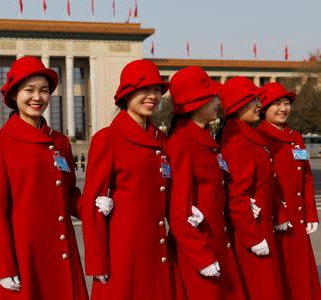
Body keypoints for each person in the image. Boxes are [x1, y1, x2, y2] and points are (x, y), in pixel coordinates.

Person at [0, 56, 112, 300]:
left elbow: (70, 194)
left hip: (62, 250)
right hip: (25, 255)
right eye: (29, 90)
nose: (37, 97)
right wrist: (3, 267)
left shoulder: (60, 142)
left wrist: (94, 206)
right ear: (14, 95)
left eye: (43, 91)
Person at [82, 59, 176, 299]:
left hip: (156, 250)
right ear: (126, 95)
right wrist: (97, 262)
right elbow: (91, 205)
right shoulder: (108, 139)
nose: (152, 96)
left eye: (156, 90)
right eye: (144, 90)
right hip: (122, 253)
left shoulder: (161, 140)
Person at [166, 67, 245, 299]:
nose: (217, 102)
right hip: (200, 249)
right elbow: (179, 213)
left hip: (217, 241)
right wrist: (201, 257)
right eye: (212, 97)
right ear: (196, 103)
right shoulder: (181, 143)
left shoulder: (202, 138)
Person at [218, 77, 288, 300]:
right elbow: (237, 196)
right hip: (252, 234)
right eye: (252, 100)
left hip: (262, 226)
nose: (259, 104)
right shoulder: (238, 141)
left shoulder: (247, 135)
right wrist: (253, 237)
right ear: (237, 104)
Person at [256, 82, 321, 300]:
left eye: (286, 103)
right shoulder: (258, 138)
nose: (283, 109)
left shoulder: (296, 138)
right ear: (263, 108)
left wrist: (311, 212)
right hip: (275, 218)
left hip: (298, 217)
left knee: (301, 274)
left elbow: (306, 177)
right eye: (276, 104)